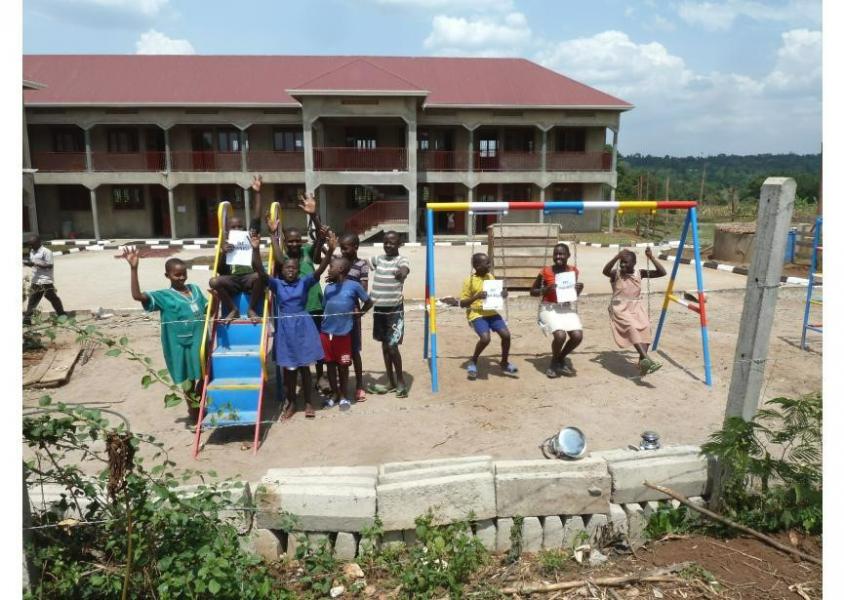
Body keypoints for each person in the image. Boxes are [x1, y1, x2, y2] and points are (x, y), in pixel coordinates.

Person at [251, 230, 335, 419]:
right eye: (287, 268)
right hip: (285, 330)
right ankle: (291, 403)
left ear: (298, 270)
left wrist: (330, 251)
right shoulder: (277, 284)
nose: (290, 270)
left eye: (294, 268)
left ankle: (307, 403)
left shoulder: (304, 282)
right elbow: (259, 269)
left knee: (305, 368)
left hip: (303, 327)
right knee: (289, 369)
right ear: (282, 270)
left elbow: (320, 270)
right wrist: (255, 249)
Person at [122, 247, 207, 419]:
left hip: (201, 341)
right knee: (187, 379)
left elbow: (207, 309)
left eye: (184, 274)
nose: (181, 277)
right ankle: (194, 412)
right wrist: (134, 268)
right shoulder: (164, 296)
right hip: (180, 345)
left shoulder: (195, 290)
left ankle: (198, 401)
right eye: (177, 275)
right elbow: (137, 296)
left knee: (207, 374)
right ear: (167, 276)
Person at [268, 194, 329, 393]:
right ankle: (298, 378)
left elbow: (321, 237)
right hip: (296, 310)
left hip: (315, 304)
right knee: (297, 343)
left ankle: (320, 376)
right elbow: (276, 253)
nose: (294, 244)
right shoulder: (284, 259)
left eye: (297, 241)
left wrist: (314, 216)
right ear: (286, 242)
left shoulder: (308, 252)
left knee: (317, 342)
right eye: (290, 241)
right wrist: (273, 233)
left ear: (302, 241)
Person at [209, 175, 266, 323]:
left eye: (239, 226)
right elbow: (220, 270)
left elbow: (257, 217)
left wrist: (258, 193)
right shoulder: (225, 243)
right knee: (214, 281)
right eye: (233, 227)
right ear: (227, 230)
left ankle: (251, 308)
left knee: (260, 276)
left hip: (249, 277)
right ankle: (233, 309)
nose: (237, 229)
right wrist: (223, 253)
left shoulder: (250, 236)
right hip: (233, 280)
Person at [602, 247, 667, 376]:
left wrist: (651, 257)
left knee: (646, 328)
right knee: (631, 328)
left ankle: (642, 363)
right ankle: (648, 359)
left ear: (633, 263)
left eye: (626, 262)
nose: (622, 265)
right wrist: (616, 257)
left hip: (636, 306)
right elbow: (605, 271)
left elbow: (662, 272)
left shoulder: (639, 273)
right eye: (621, 262)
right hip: (619, 307)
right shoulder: (617, 273)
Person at [321, 256, 374, 411]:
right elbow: (325, 308)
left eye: (331, 267)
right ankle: (334, 395)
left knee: (343, 366)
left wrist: (360, 314)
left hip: (344, 333)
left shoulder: (354, 286)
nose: (328, 269)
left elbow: (369, 302)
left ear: (341, 269)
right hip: (326, 333)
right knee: (329, 365)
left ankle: (344, 396)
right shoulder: (328, 288)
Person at [459, 252, 518, 380]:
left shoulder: (490, 276)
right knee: (485, 339)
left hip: (491, 312)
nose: (490, 265)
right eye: (487, 263)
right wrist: (476, 296)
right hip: (477, 313)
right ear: (477, 266)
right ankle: (473, 361)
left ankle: (504, 362)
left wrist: (502, 294)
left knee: (506, 335)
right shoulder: (468, 281)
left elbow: (494, 294)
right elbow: (462, 303)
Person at [530, 243, 584, 378]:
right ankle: (554, 363)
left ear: (568, 256)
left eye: (562, 254)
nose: (558, 256)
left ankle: (560, 357)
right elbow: (532, 292)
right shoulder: (545, 271)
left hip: (565, 308)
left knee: (577, 336)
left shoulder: (573, 271)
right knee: (560, 335)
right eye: (556, 254)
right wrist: (546, 289)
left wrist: (578, 290)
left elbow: (571, 295)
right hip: (548, 308)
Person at [366, 231, 410, 398]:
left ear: (399, 244)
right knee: (385, 346)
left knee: (392, 347)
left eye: (392, 243)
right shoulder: (378, 259)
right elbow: (362, 264)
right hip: (379, 311)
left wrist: (402, 273)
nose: (388, 245)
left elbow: (405, 269)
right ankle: (390, 382)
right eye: (386, 242)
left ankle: (400, 382)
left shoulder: (401, 260)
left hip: (394, 311)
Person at [339, 232, 370, 403]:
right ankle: (341, 386)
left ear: (356, 247)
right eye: (341, 248)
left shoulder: (362, 264)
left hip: (353, 311)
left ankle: (359, 385)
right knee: (339, 348)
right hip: (338, 311)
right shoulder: (338, 261)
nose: (342, 251)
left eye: (345, 248)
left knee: (354, 350)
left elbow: (363, 288)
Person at [23, 235, 67, 325]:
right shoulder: (32, 251)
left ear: (39, 243)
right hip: (36, 280)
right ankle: (27, 320)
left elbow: (50, 265)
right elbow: (32, 262)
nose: (31, 246)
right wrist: (28, 263)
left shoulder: (46, 252)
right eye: (30, 245)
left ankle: (62, 314)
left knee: (53, 298)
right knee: (32, 301)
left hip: (45, 281)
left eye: (33, 244)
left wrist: (35, 264)